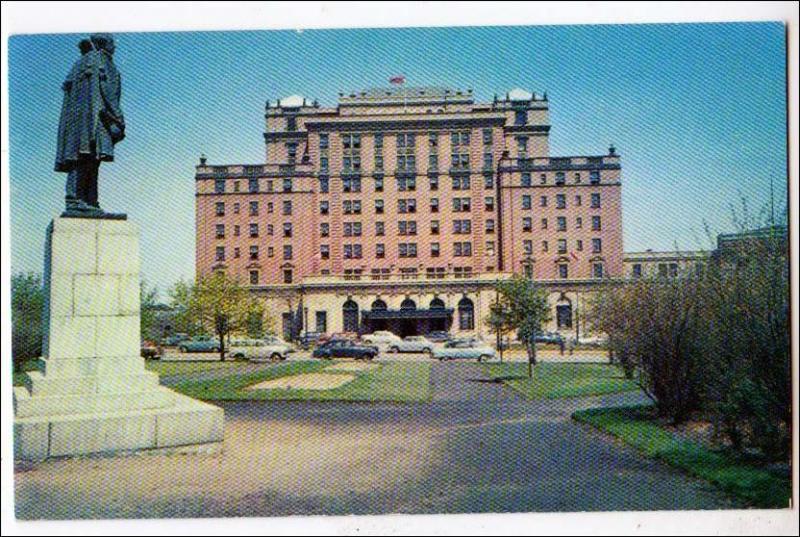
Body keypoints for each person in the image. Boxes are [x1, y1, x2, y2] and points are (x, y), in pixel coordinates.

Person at [55, 33, 125, 214]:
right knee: (89, 158)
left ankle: (87, 201)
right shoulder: (102, 60)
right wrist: (118, 118)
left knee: (82, 157)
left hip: (78, 122)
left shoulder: (80, 62)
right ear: (105, 45)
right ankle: (79, 200)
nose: (115, 47)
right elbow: (107, 90)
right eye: (112, 43)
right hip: (96, 119)